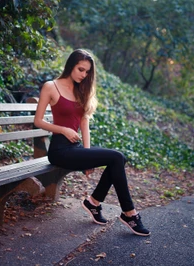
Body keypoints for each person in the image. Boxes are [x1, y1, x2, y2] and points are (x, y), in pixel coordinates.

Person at [34, 49, 150, 236]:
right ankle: (129, 213)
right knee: (117, 157)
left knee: (118, 159)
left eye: (87, 72)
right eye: (81, 69)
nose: (84, 75)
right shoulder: (51, 86)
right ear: (71, 65)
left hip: (75, 149)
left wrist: (87, 155)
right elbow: (38, 121)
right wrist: (63, 129)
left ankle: (94, 202)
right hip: (59, 150)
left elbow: (83, 122)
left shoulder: (81, 90)